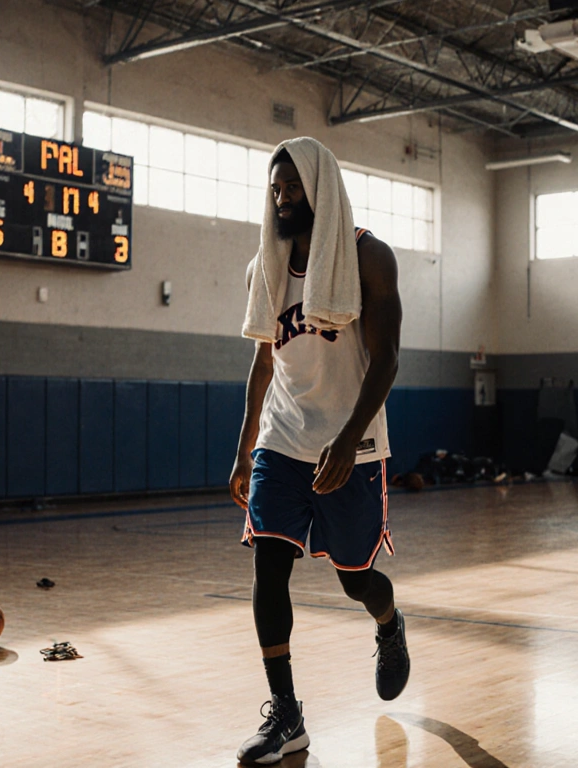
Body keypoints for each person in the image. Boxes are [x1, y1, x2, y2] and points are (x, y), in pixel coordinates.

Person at [230, 137, 408, 765]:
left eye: (293, 189)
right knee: (267, 566)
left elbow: (385, 358)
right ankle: (287, 714)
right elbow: (261, 356)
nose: (282, 201)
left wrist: (347, 435)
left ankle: (389, 625)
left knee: (355, 578)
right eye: (275, 190)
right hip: (283, 439)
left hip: (350, 442)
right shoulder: (265, 266)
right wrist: (246, 440)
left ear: (320, 188)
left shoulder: (369, 257)